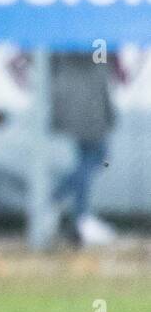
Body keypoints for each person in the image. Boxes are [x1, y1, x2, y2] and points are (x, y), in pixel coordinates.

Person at [49, 51, 121, 246]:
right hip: (89, 102)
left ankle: (78, 214)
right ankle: (58, 201)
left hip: (73, 99)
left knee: (88, 159)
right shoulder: (91, 33)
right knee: (97, 157)